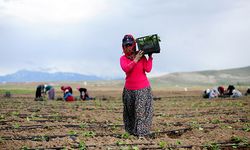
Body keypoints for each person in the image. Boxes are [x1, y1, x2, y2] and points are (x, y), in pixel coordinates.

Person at [120, 34, 154, 137]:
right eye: (126, 45)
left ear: (134, 45)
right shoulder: (123, 58)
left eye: (130, 44)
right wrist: (135, 60)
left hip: (142, 89)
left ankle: (141, 134)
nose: (128, 47)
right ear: (123, 47)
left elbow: (148, 69)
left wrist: (150, 57)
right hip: (129, 90)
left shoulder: (142, 57)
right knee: (130, 113)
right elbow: (126, 68)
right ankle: (131, 133)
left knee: (140, 112)